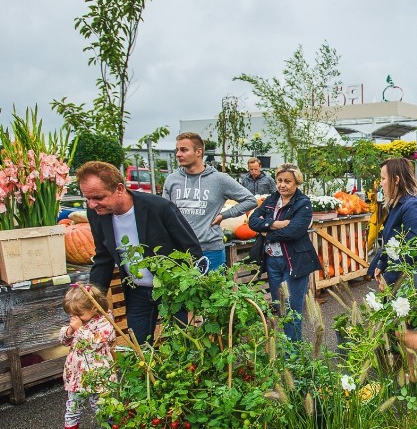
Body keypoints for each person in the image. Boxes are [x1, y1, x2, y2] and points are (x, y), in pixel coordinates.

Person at [77, 161, 202, 344]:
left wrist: (189, 286)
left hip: (171, 289)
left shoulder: (159, 208)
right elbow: (103, 256)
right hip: (136, 291)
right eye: (87, 198)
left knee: (179, 345)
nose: (92, 204)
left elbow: (191, 248)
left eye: (98, 197)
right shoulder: (97, 214)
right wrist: (92, 295)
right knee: (139, 346)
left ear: (119, 189)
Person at [367, 157, 417, 378]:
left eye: (383, 178)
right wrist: (380, 264)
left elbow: (411, 248)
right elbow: (392, 242)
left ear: (396, 179)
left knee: (404, 330)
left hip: (414, 276)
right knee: (402, 329)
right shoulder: (397, 205)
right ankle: (414, 375)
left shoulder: (412, 205)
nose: (381, 183)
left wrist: (389, 276)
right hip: (402, 274)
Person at [248, 163, 321, 343]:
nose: (282, 185)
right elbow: (253, 221)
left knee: (292, 310)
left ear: (297, 182)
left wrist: (267, 231)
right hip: (273, 262)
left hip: (293, 261)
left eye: (287, 181)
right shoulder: (272, 199)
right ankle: (286, 350)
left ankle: (293, 354)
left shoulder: (303, 203)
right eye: (279, 180)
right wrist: (277, 224)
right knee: (280, 308)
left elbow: (294, 231)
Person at [163, 132, 257, 271]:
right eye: (177, 150)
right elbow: (165, 212)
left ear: (199, 152)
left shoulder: (219, 180)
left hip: (210, 251)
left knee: (212, 292)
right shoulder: (172, 180)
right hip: (179, 250)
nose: (178, 154)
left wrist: (224, 215)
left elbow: (250, 200)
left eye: (184, 150)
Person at [60, 284, 116, 429]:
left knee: (102, 408)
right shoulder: (77, 323)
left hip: (98, 375)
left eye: (79, 315)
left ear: (93, 307)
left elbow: (95, 343)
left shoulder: (106, 322)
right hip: (77, 376)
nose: (76, 318)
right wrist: (70, 330)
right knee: (73, 407)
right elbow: (64, 341)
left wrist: (79, 330)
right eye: (72, 316)